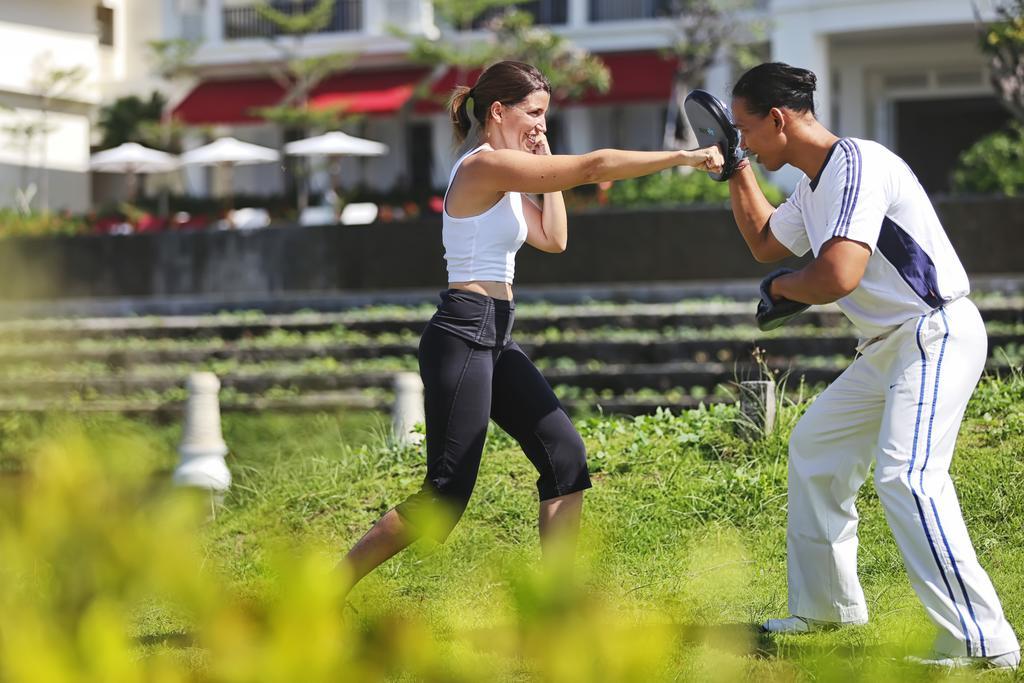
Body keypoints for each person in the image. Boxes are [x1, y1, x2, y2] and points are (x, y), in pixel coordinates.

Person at [339, 60, 724, 594]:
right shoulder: (483, 167)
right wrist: (683, 156)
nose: (543, 123)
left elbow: (553, 238)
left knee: (566, 458)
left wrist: (547, 169)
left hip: (495, 335)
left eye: (547, 114)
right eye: (534, 113)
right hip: (462, 334)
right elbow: (592, 165)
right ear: (498, 111)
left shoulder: (512, 173)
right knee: (445, 494)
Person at [725, 62, 1020, 669]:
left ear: (778, 119)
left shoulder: (856, 164)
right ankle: (826, 607)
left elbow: (836, 275)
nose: (745, 137)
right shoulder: (811, 188)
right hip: (887, 347)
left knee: (907, 476)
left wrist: (783, 289)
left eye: (747, 129)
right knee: (816, 445)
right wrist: (736, 166)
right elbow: (762, 241)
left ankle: (984, 641)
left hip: (933, 334)